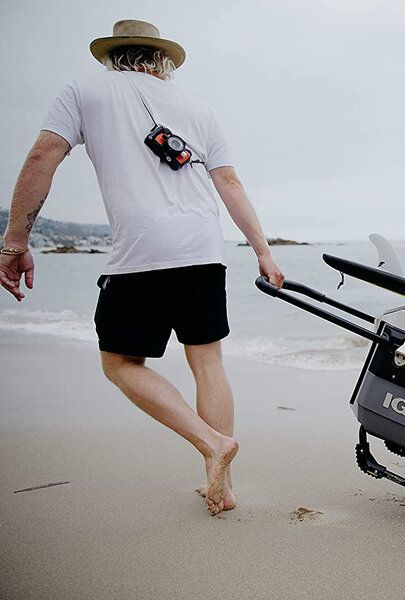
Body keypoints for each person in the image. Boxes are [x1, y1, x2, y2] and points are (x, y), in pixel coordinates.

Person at [0, 19, 285, 516]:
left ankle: (211, 444)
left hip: (141, 253)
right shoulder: (199, 106)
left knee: (121, 364)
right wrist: (262, 249)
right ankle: (225, 486)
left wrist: (14, 241)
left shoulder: (83, 90)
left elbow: (45, 154)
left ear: (113, 56)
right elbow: (230, 182)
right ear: (163, 62)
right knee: (208, 362)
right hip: (203, 249)